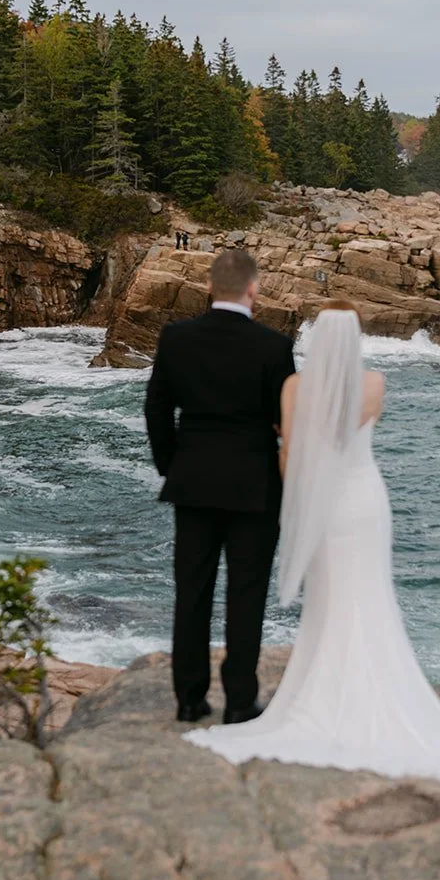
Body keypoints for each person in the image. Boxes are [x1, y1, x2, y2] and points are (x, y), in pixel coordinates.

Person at [187, 300, 440, 789]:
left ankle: (326, 697)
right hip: (366, 500)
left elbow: (291, 454)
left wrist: (296, 503)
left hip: (326, 506)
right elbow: (346, 435)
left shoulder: (294, 388)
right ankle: (377, 692)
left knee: (328, 600)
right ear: (354, 338)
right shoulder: (374, 383)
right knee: (369, 595)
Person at [144, 248, 296, 724]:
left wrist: (173, 466)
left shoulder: (176, 338)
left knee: (192, 593)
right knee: (245, 594)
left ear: (209, 287)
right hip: (255, 485)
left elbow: (156, 410)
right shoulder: (274, 347)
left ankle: (189, 700)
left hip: (193, 481)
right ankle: (238, 701)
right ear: (253, 289)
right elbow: (284, 420)